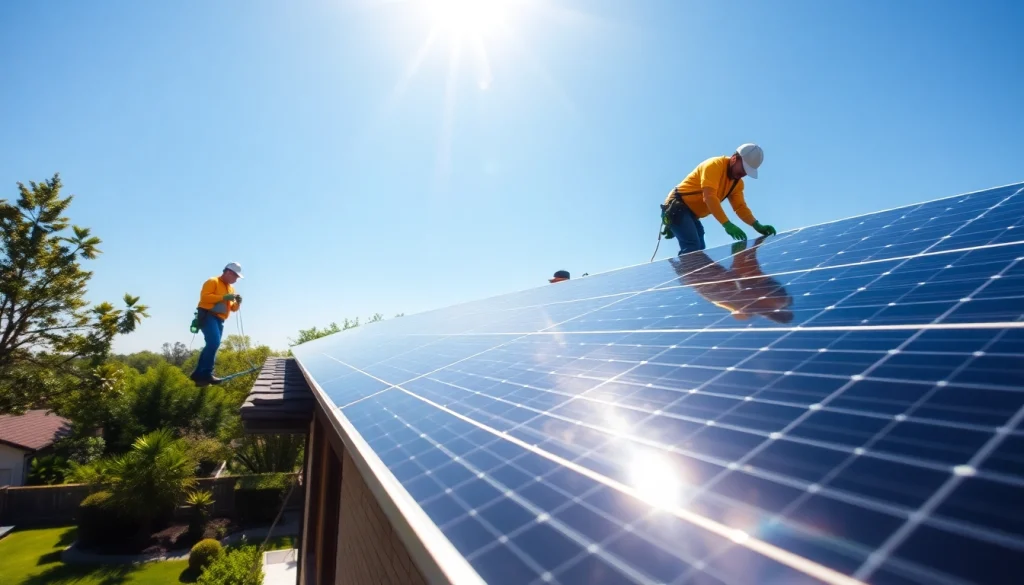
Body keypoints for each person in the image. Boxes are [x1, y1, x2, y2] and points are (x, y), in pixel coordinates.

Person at [661, 143, 776, 255]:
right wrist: (727, 224)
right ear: (734, 159)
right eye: (743, 168)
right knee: (693, 247)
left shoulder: (737, 184)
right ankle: (685, 273)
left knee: (700, 248)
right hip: (677, 206)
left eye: (747, 171)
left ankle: (677, 230)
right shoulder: (714, 166)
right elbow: (709, 197)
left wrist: (756, 225)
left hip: (692, 214)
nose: (744, 173)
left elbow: (740, 207)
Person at [190, 262, 244, 386]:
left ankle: (198, 374)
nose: (236, 279)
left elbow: (233, 308)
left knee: (212, 344)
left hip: (220, 319)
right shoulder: (212, 281)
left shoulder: (231, 288)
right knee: (214, 343)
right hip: (208, 315)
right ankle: (207, 374)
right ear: (228, 272)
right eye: (235, 276)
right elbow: (205, 298)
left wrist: (238, 303)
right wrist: (224, 297)